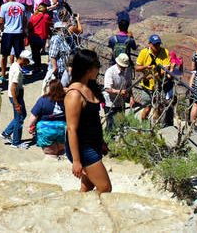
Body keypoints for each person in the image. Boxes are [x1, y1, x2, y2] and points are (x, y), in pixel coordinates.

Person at [65, 49, 111, 193]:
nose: (99, 69)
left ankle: (79, 211)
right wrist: (77, 161)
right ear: (87, 69)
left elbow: (92, 119)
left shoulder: (88, 87)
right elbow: (71, 129)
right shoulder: (74, 95)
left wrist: (101, 141)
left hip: (93, 143)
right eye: (96, 65)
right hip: (84, 148)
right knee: (105, 188)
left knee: (88, 186)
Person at [134, 34, 172, 121]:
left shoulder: (165, 52)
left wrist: (152, 76)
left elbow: (166, 69)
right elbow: (137, 68)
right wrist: (146, 67)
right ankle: (143, 125)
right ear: (149, 44)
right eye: (155, 44)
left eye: (158, 44)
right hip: (147, 86)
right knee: (147, 108)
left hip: (159, 85)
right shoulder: (144, 53)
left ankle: (155, 127)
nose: (157, 46)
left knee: (158, 108)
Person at [2, 49, 33, 149]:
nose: (28, 64)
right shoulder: (17, 71)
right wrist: (16, 104)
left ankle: (7, 132)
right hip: (16, 96)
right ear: (24, 59)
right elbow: (13, 87)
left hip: (16, 95)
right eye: (28, 61)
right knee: (19, 118)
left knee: (21, 115)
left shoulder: (15, 65)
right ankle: (16, 142)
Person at [29, 80, 67, 157]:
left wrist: (30, 126)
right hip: (62, 129)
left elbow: (33, 116)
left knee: (51, 154)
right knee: (62, 152)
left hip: (45, 130)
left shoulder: (43, 100)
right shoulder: (66, 99)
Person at [0, 0, 27, 82]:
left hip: (8, 32)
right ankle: (18, 73)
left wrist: (2, 29)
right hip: (18, 32)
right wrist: (23, 28)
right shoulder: (22, 6)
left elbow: (1, 20)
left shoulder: (4, 7)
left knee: (4, 55)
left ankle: (3, 74)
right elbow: (24, 20)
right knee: (19, 56)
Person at [103, 53, 133, 134]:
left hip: (121, 102)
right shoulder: (110, 72)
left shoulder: (127, 71)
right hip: (110, 103)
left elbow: (129, 85)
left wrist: (131, 97)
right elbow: (107, 88)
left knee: (120, 123)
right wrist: (119, 92)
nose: (124, 68)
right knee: (111, 124)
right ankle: (108, 141)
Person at [45, 21, 72, 93]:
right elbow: (52, 55)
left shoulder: (65, 38)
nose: (66, 30)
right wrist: (55, 68)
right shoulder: (56, 39)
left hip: (64, 69)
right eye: (64, 29)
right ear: (58, 29)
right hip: (58, 70)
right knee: (58, 89)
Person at [28, 4, 52, 70]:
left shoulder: (33, 16)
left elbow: (29, 26)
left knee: (35, 52)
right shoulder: (46, 16)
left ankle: (36, 66)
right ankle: (37, 66)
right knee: (37, 52)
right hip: (42, 37)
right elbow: (50, 24)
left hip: (33, 36)